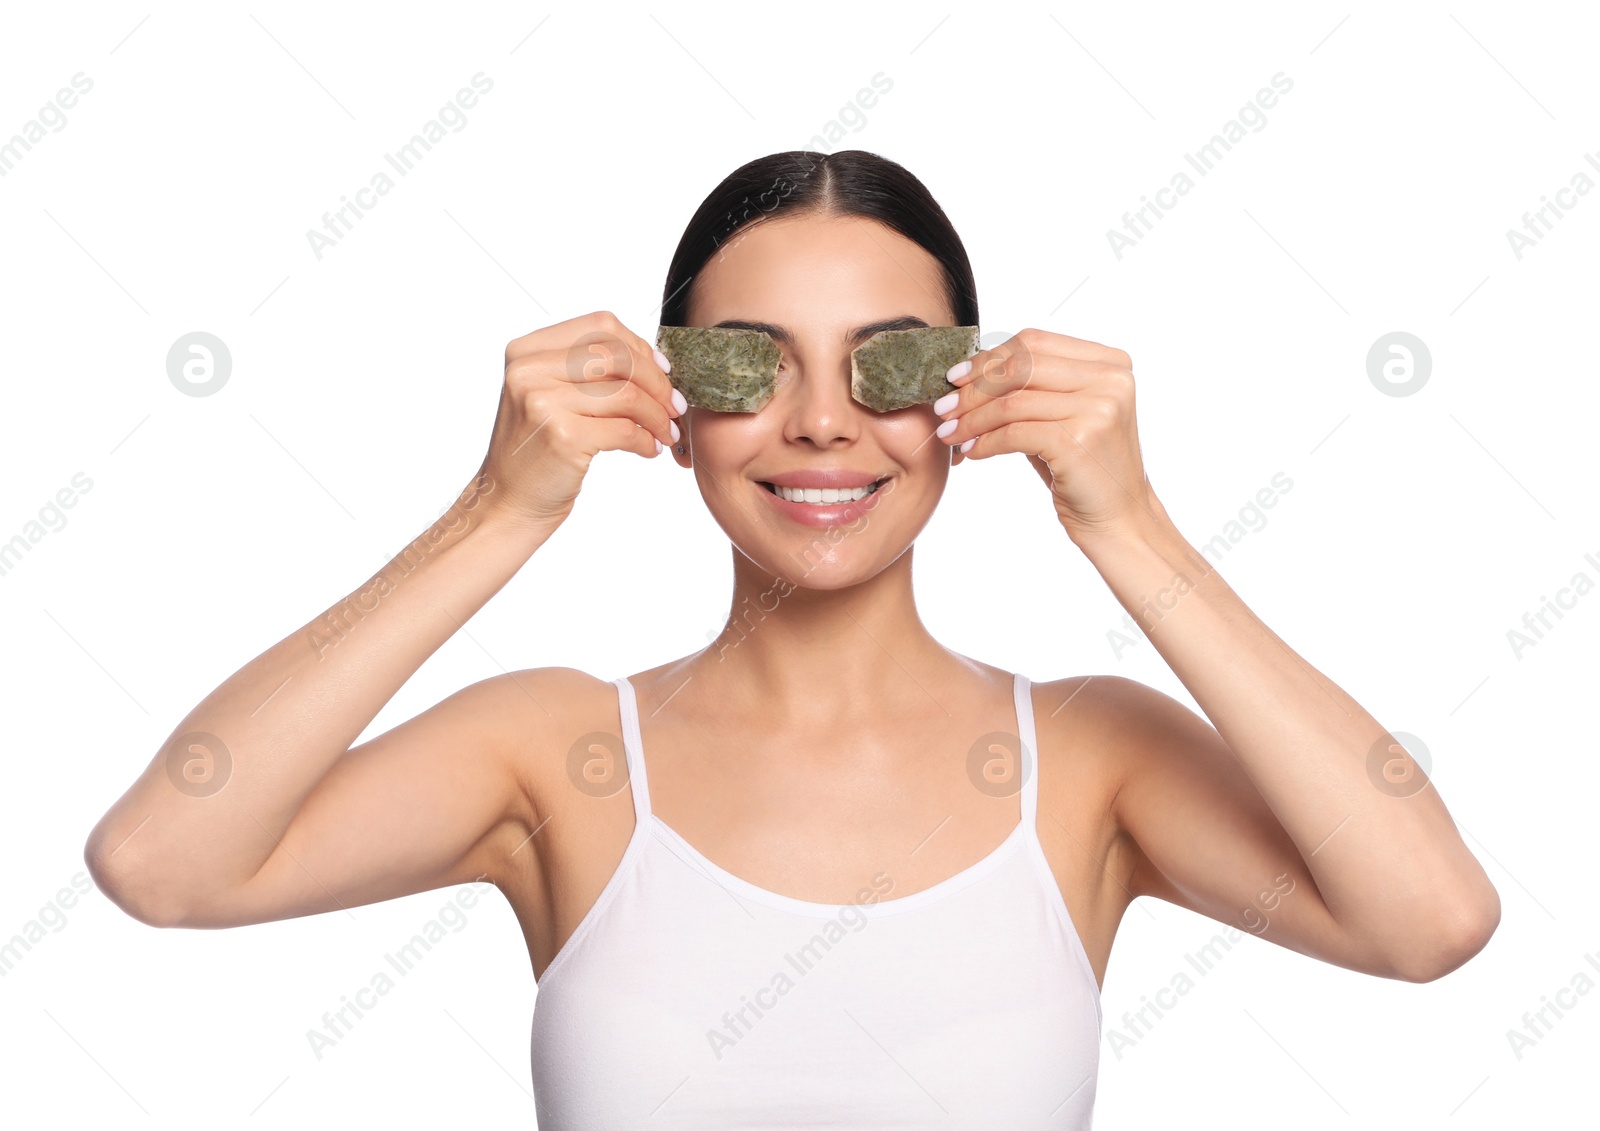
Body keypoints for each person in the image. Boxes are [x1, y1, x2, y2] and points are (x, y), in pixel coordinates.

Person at [83, 149, 1500, 1128]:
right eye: (749, 365)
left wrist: (1131, 527)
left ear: (974, 395)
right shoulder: (556, 752)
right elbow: (164, 861)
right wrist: (497, 513)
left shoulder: (1089, 758)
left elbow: (1428, 918)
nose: (822, 423)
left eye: (888, 365)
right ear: (669, 399)